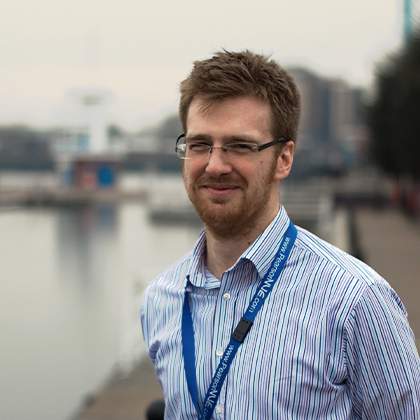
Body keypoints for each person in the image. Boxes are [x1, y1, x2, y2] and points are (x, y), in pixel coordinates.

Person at [141, 50, 420, 419]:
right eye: (199, 144)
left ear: (284, 159)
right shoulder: (160, 300)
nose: (215, 164)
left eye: (240, 146)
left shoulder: (356, 301)